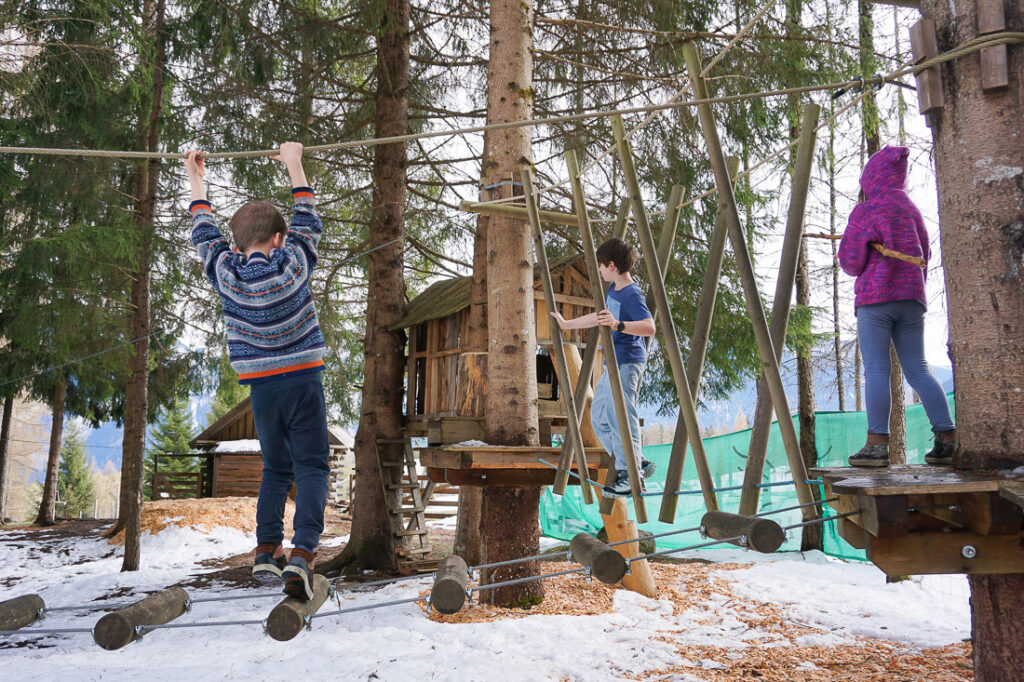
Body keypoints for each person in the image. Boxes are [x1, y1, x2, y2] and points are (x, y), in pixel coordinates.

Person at [185, 143, 329, 600]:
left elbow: (203, 231)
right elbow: (307, 215)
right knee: (311, 466)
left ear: (235, 245)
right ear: (279, 241)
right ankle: (303, 554)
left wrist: (196, 178)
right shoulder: (293, 263)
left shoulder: (225, 270)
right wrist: (294, 162)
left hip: (261, 389)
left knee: (276, 467)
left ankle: (267, 550)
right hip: (303, 379)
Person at [838, 145, 955, 468]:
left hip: (876, 300)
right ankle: (946, 438)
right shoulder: (912, 210)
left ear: (871, 179)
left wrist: (855, 243)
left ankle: (877, 445)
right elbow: (924, 256)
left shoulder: (867, 210)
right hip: (912, 298)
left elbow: (849, 262)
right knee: (918, 368)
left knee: (877, 368)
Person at [550, 238, 656, 497]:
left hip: (628, 362)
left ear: (611, 265)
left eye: (599, 266)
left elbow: (648, 326)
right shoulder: (614, 291)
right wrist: (567, 324)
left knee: (620, 416)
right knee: (599, 418)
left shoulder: (632, 293)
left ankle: (631, 474)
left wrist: (620, 325)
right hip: (612, 363)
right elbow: (601, 317)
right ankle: (635, 460)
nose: (598, 271)